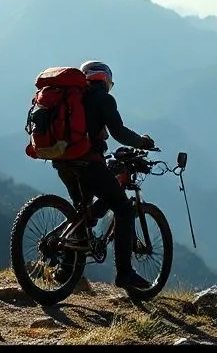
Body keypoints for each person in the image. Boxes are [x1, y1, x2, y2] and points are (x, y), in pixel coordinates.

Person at [52, 60, 156, 291]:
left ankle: (66, 269)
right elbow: (118, 132)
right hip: (88, 162)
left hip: (62, 162)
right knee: (124, 210)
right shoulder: (103, 99)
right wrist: (142, 142)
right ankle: (125, 274)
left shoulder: (74, 98)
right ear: (106, 80)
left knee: (82, 212)